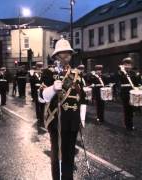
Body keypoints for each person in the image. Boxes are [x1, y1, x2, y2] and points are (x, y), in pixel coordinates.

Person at [39, 38, 86, 180]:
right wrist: (53, 88)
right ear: (56, 56)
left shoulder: (77, 74)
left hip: (73, 120)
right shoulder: (48, 73)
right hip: (57, 120)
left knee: (70, 154)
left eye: (69, 53)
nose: (67, 56)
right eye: (63, 53)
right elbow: (41, 97)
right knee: (57, 154)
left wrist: (82, 119)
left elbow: (82, 98)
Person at [118, 57, 142, 131]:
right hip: (125, 93)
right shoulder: (120, 72)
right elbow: (118, 79)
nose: (127, 66)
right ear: (123, 65)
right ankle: (128, 125)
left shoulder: (134, 73)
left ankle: (131, 124)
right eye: (126, 64)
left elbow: (139, 82)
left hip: (133, 94)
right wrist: (122, 71)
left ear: (131, 65)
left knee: (131, 110)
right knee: (126, 110)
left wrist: (140, 86)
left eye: (129, 64)